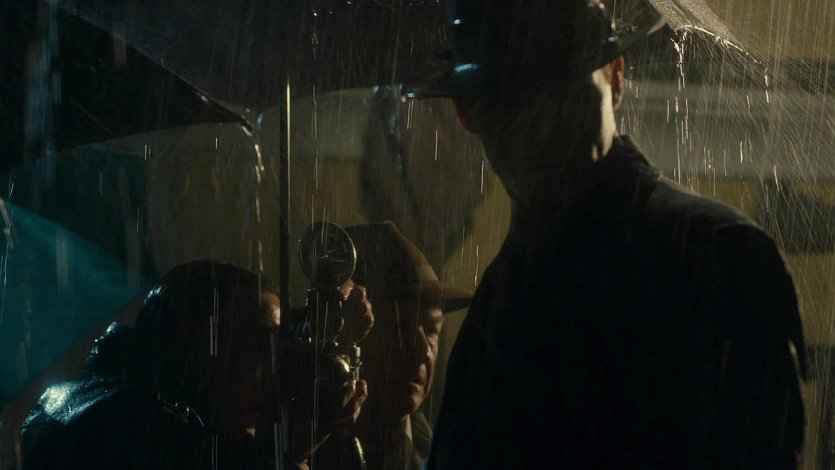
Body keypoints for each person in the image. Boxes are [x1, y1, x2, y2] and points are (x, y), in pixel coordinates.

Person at [404, 1, 807, 468]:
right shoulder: (506, 291)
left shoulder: (717, 254)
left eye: (560, 89)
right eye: (510, 100)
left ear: (616, 79)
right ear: (467, 113)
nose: (541, 123)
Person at [19, 260, 370, 469]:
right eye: (259, 348)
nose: (274, 371)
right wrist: (292, 448)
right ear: (193, 343)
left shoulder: (114, 395)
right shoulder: (134, 426)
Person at [339, 222, 473, 470]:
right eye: (398, 327)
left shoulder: (442, 453)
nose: (423, 351)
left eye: (431, 330)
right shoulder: (306, 448)